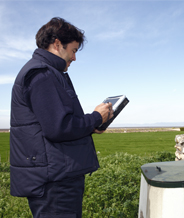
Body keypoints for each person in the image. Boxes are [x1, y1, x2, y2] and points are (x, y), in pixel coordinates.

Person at [10, 17, 113, 218]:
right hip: (55, 181)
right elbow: (59, 127)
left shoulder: (47, 72)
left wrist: (91, 125)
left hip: (56, 175)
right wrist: (94, 118)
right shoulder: (42, 73)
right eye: (73, 51)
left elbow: (54, 122)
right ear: (57, 44)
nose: (74, 58)